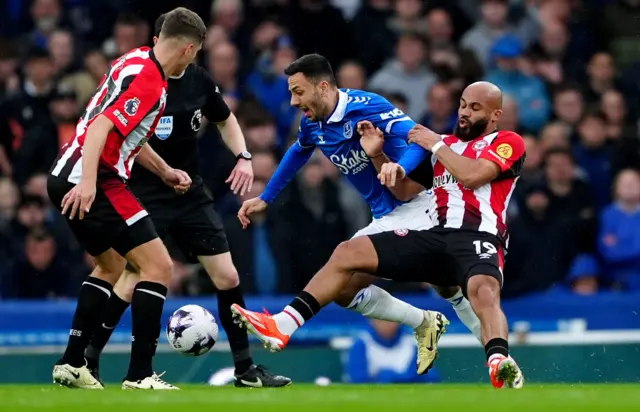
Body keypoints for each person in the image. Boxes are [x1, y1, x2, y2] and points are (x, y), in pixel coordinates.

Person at [233, 81, 526, 389]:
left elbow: (473, 175)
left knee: (482, 290)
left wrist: (436, 144)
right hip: (433, 234)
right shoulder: (440, 146)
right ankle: (284, 324)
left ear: (495, 116)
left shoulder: (506, 141)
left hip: (478, 235)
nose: (465, 112)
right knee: (348, 257)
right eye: (463, 104)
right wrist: (377, 156)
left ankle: (498, 359)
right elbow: (403, 190)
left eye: (475, 108)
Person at [83, 14, 291, 389]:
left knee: (227, 276)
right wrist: (163, 171)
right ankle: (89, 358)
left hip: (190, 193)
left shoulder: (198, 81)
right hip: (144, 191)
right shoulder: (145, 80)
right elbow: (126, 133)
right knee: (133, 274)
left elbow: (226, 118)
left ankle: (245, 368)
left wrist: (243, 156)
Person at [47, 7, 206, 390]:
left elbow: (124, 132)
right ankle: (140, 374)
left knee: (110, 265)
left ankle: (72, 363)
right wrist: (87, 183)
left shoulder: (134, 59)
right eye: (196, 53)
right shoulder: (152, 81)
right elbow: (102, 125)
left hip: (64, 173)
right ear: (188, 49)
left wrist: (165, 171)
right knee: (158, 266)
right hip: (96, 178)